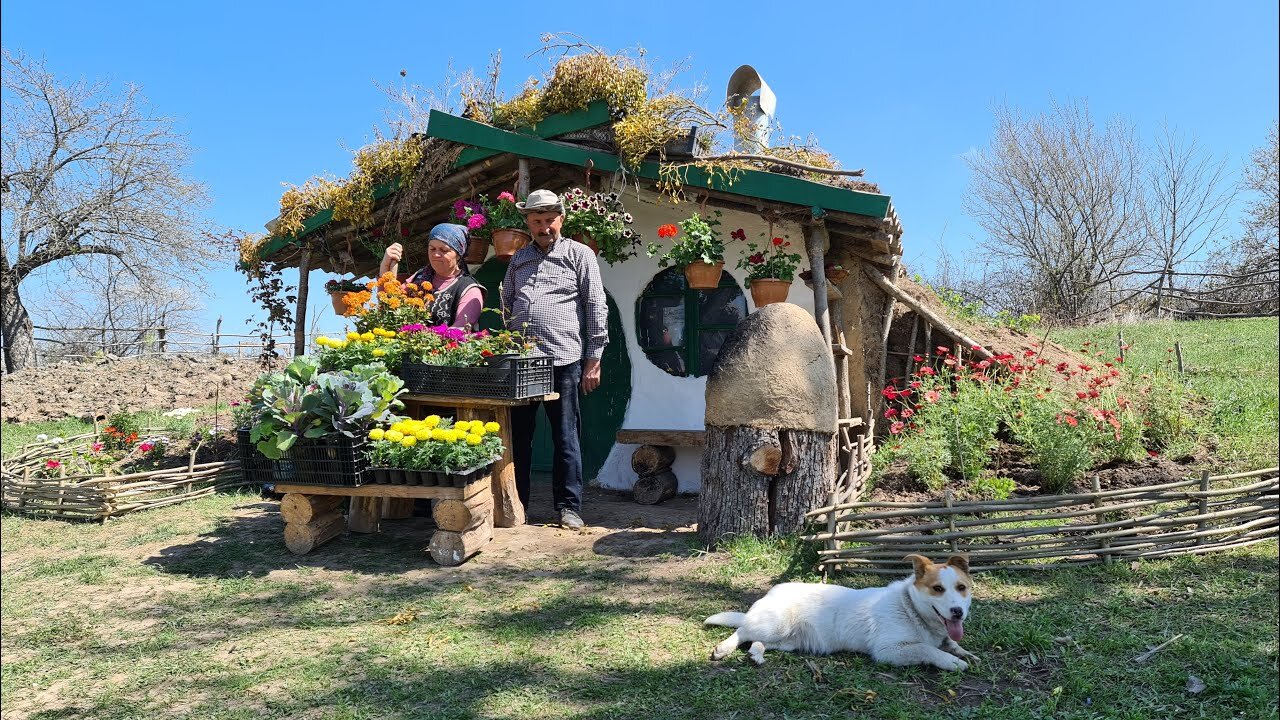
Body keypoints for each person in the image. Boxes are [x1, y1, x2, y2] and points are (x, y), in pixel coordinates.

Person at [501, 189, 607, 530]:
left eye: (549, 220)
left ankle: (569, 507)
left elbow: (595, 306)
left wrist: (594, 358)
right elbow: (507, 301)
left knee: (565, 435)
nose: (543, 226)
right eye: (536, 221)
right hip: (524, 362)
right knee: (519, 436)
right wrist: (512, 336)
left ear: (560, 219)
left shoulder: (580, 255)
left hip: (563, 359)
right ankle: (519, 505)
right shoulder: (519, 259)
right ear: (527, 222)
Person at [379, 222, 485, 328]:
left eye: (444, 250)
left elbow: (460, 330)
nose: (436, 254)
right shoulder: (419, 277)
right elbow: (389, 304)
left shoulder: (469, 289)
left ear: (458, 255)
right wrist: (385, 265)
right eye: (432, 249)